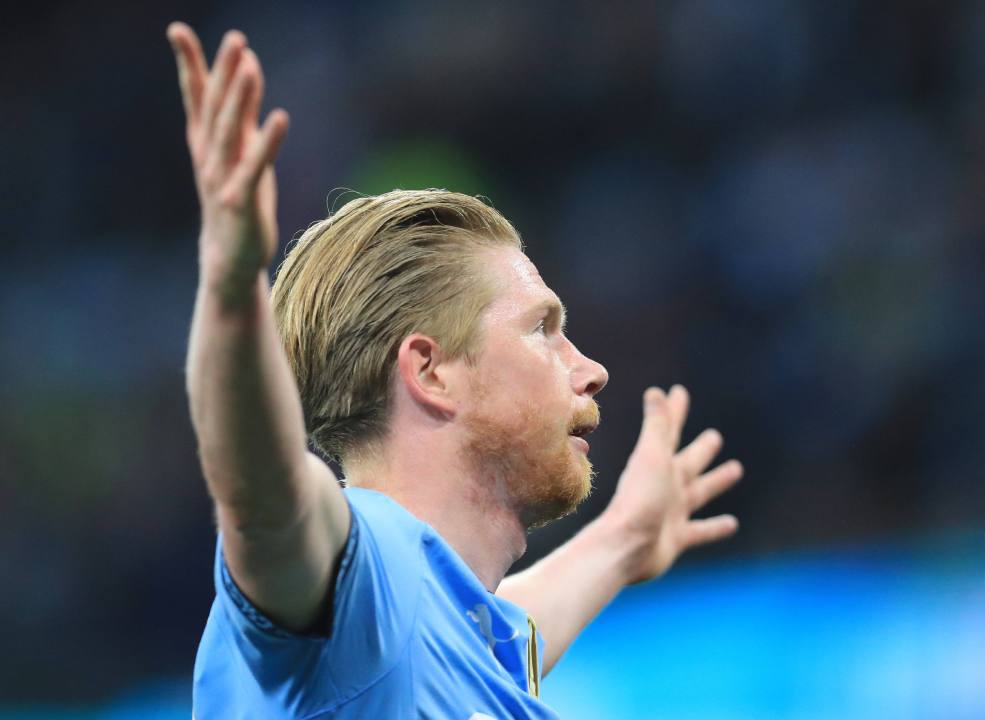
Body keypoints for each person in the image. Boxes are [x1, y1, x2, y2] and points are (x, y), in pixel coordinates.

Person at [166, 21, 744, 719]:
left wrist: (625, 537)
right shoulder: (362, 576)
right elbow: (261, 497)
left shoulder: (449, 630)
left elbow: (487, 636)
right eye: (542, 330)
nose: (591, 370)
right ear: (431, 371)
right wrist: (231, 293)